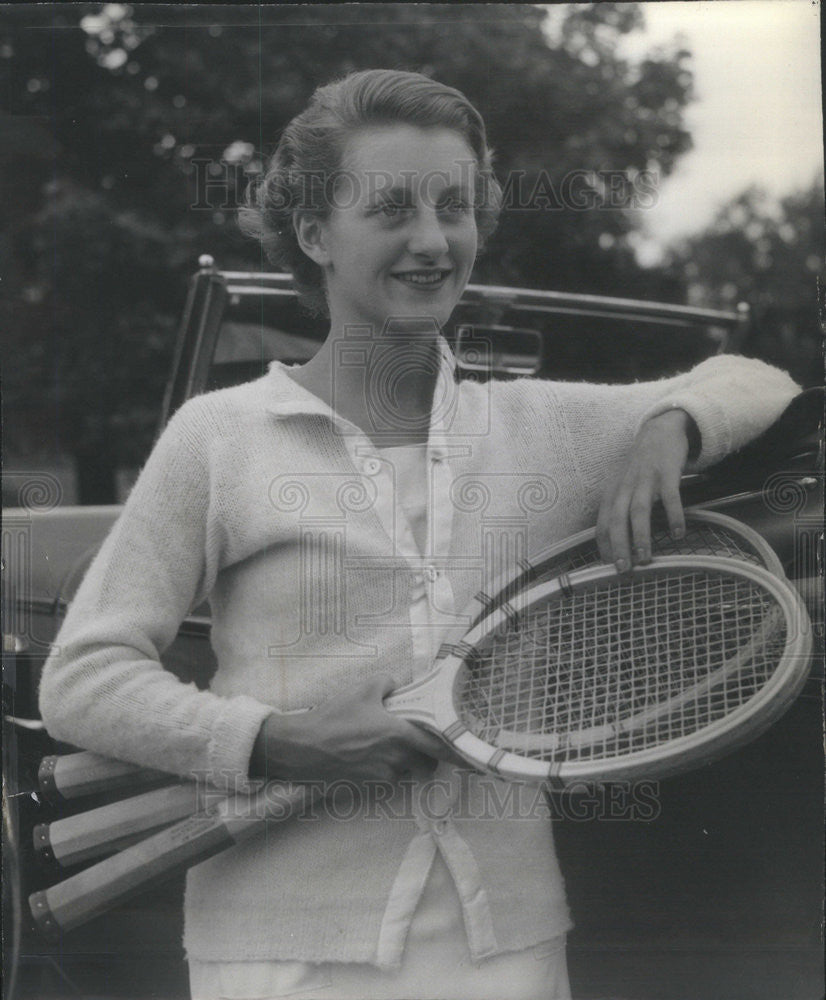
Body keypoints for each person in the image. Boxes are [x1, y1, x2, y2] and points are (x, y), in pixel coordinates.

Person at [39, 69, 800, 1000]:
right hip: (284, 956)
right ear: (313, 233)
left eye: (457, 206)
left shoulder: (540, 426)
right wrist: (276, 741)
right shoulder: (218, 438)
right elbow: (83, 676)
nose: (433, 241)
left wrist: (670, 424)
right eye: (392, 208)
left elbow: (759, 380)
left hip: (505, 948)